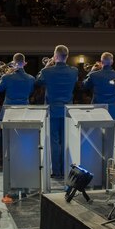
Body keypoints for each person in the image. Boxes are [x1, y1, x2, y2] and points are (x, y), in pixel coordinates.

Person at [35, 45, 79, 177]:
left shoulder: (47, 71)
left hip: (52, 110)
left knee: (54, 142)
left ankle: (57, 171)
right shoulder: (74, 71)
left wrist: (46, 67)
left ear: (55, 56)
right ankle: (67, 169)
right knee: (66, 141)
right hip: (67, 111)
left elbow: (37, 81)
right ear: (67, 56)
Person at [83, 52, 115, 119]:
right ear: (112, 62)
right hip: (113, 109)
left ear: (101, 62)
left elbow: (84, 85)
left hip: (97, 109)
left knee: (97, 129)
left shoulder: (94, 75)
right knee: (112, 129)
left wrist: (91, 71)